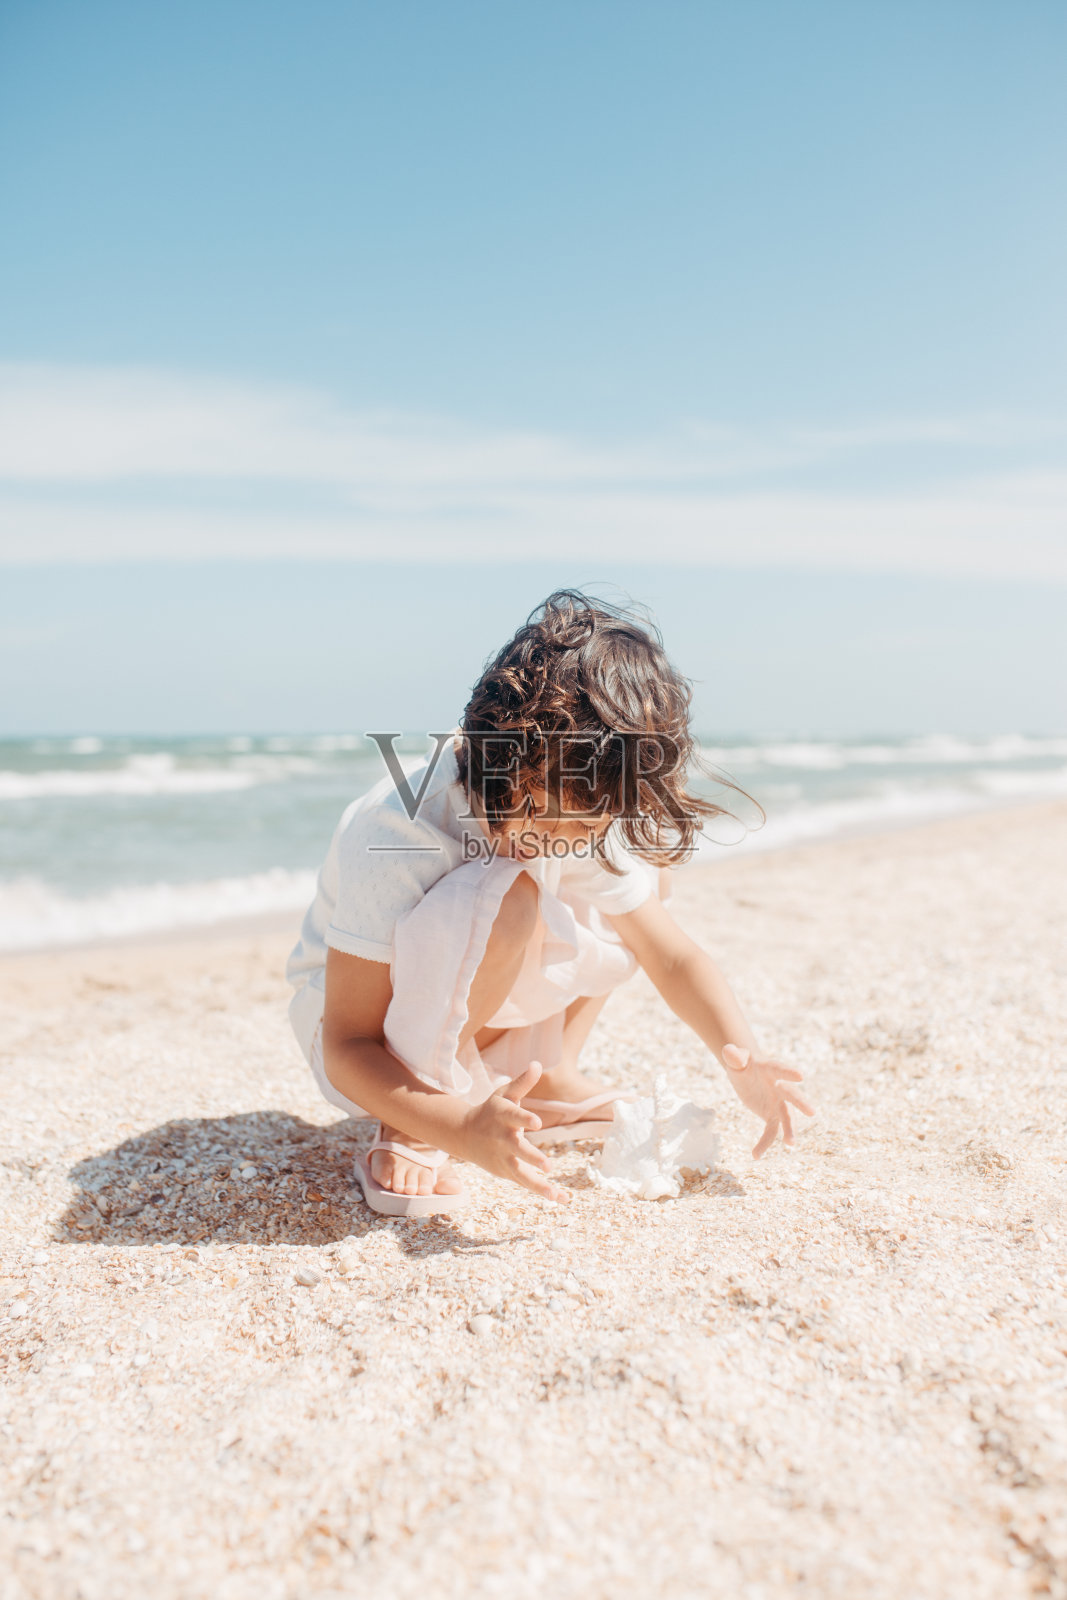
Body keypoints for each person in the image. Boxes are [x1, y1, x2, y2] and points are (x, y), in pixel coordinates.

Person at [286, 590, 813, 1216]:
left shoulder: (583, 800)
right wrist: (454, 1129)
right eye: (535, 808)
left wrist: (740, 1056)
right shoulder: (400, 826)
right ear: (495, 751)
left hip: (473, 998)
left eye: (581, 824)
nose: (553, 838)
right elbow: (348, 1043)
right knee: (512, 890)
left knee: (642, 879)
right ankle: (412, 1119)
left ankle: (549, 1067)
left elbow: (669, 954)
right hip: (365, 1039)